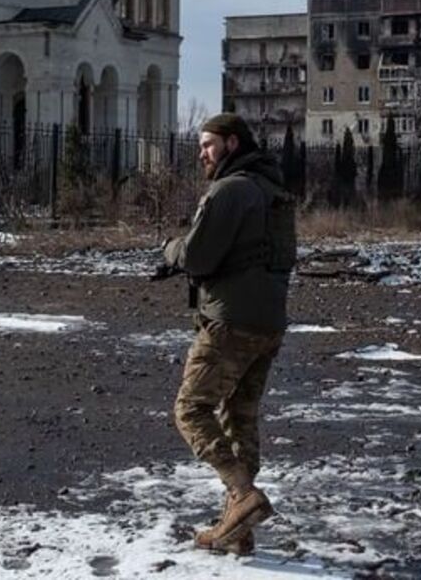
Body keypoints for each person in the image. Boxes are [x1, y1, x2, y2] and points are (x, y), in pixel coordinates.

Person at [158, 112, 295, 556]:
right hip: (268, 322)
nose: (201, 153)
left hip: (230, 322)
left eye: (208, 144)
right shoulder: (271, 191)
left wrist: (171, 249)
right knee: (240, 418)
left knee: (191, 409)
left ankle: (242, 495)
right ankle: (239, 530)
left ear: (232, 145)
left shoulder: (230, 190)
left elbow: (197, 256)